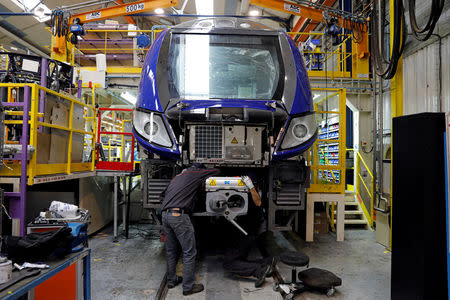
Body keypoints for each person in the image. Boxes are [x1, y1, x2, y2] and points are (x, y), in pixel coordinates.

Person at [160, 163, 219, 296]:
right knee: (189, 252)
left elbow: (162, 195)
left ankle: (171, 280)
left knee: (171, 250)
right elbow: (215, 171)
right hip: (178, 216)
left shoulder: (177, 177)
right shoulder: (195, 173)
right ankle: (188, 287)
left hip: (165, 215)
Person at [222, 175, 277, 287]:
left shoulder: (254, 194)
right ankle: (266, 262)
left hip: (246, 233)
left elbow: (258, 203)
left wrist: (251, 187)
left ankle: (259, 271)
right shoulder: (245, 194)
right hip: (244, 232)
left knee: (229, 263)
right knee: (239, 259)